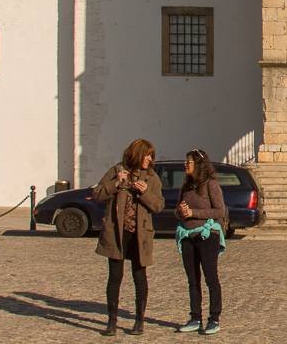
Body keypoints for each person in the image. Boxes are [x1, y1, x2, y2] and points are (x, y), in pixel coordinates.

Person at [92, 139, 164, 337]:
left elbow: (159, 205)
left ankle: (139, 321)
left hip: (140, 235)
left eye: (151, 156)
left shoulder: (152, 178)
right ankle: (111, 322)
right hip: (117, 232)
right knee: (115, 277)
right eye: (146, 155)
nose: (149, 159)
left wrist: (145, 192)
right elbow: (97, 194)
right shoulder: (117, 170)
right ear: (136, 154)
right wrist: (115, 184)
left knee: (139, 276)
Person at [174, 149, 229, 335]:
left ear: (198, 164)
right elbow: (177, 212)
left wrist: (194, 213)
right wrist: (181, 212)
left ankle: (214, 318)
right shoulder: (187, 187)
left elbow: (220, 211)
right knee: (192, 279)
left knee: (210, 278)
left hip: (207, 237)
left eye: (188, 162)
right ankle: (195, 317)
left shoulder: (210, 185)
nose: (185, 165)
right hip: (188, 236)